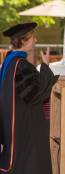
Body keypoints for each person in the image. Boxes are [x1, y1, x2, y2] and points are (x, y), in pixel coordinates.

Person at [0, 22, 59, 174]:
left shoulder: (10, 61)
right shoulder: (20, 64)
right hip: (26, 123)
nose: (36, 40)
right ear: (24, 41)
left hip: (16, 120)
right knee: (31, 160)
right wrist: (45, 66)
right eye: (33, 37)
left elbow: (30, 87)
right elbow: (34, 95)